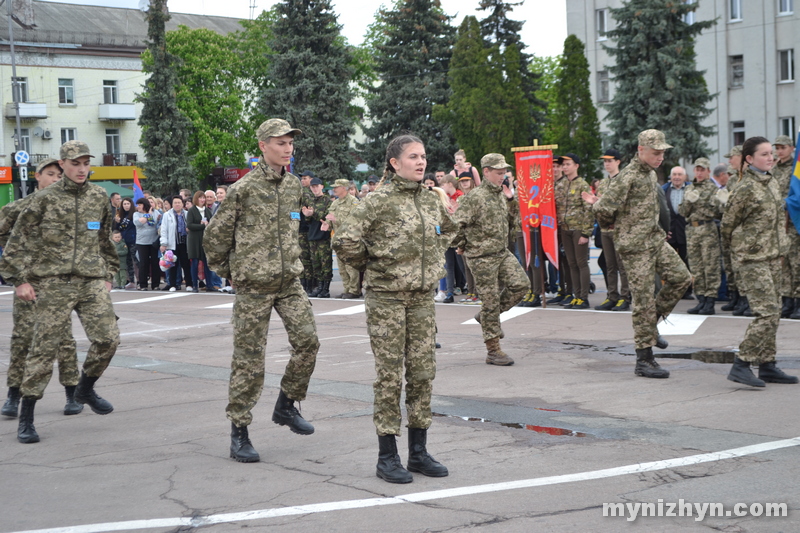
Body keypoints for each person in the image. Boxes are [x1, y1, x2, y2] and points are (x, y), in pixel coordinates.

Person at [333, 134, 455, 484]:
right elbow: (345, 240)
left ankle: (418, 453)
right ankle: (387, 456)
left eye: (424, 156)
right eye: (413, 157)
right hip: (386, 299)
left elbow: (449, 230)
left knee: (422, 373)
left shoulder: (431, 200)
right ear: (394, 163)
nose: (421, 162)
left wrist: (432, 261)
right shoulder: (377, 201)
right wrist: (376, 265)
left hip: (421, 299)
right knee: (389, 377)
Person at [204, 118, 320, 463]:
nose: (287, 149)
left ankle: (286, 404)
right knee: (249, 361)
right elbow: (215, 240)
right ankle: (239, 432)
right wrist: (232, 272)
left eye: (290, 143)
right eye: (280, 143)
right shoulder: (243, 189)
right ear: (263, 147)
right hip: (253, 287)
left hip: (288, 283)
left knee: (309, 342)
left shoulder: (293, 186)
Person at [0, 141, 121, 442]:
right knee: (42, 349)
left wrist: (108, 273)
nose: (81, 169)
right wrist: (20, 280)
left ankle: (85, 388)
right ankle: (26, 416)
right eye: (75, 163)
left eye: (85, 163)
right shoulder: (43, 199)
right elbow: (14, 242)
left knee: (108, 339)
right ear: (63, 164)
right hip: (53, 283)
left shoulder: (98, 196)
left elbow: (105, 240)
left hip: (90, 280)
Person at [582, 130, 691, 379]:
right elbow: (604, 209)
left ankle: (651, 326)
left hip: (654, 240)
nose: (660, 157)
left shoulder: (650, 173)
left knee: (682, 278)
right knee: (643, 301)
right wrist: (615, 224)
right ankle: (644, 359)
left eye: (663, 152)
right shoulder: (627, 177)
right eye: (656, 152)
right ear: (641, 150)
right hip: (634, 247)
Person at [0, 158, 83, 419]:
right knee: (23, 338)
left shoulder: (68, 209)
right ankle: (14, 394)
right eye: (50, 174)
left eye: (59, 176)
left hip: (59, 285)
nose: (55, 180)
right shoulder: (18, 207)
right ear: (37, 176)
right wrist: (18, 268)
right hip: (29, 284)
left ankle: (72, 393)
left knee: (64, 340)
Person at [720, 136, 798, 387]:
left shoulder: (772, 182)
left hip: (774, 256)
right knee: (767, 312)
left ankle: (767, 365)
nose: (771, 157)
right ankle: (742, 363)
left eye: (771, 153)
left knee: (774, 311)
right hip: (752, 259)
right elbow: (727, 225)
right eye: (764, 154)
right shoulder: (744, 188)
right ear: (749, 159)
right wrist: (741, 253)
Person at [453, 153, 528, 366]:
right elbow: (457, 223)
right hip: (481, 257)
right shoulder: (475, 197)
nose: (502, 176)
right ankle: (493, 350)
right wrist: (462, 244)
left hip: (501, 252)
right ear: (485, 172)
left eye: (504, 172)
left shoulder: (500, 194)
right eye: (498, 173)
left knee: (521, 285)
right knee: (491, 300)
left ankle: (486, 316)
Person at [679, 157, 722, 315]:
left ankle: (710, 301)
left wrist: (702, 204)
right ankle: (701, 300)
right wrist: (689, 202)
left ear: (708, 171)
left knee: (710, 267)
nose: (699, 172)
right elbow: (683, 212)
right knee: (696, 267)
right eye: (697, 169)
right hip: (692, 230)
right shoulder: (689, 189)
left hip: (707, 229)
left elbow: (716, 212)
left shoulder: (713, 189)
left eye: (702, 169)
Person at [594, 149, 631, 311]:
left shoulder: (623, 181)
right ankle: (612, 296)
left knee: (622, 265)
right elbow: (599, 206)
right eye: (605, 161)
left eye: (610, 161)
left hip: (619, 229)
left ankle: (625, 297)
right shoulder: (603, 183)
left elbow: (625, 206)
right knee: (609, 265)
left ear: (618, 162)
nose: (607, 164)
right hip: (605, 229)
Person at [555, 153, 593, 309]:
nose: (564, 167)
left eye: (568, 164)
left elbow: (588, 210)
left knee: (581, 263)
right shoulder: (561, 185)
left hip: (578, 229)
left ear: (576, 166)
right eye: (563, 165)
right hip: (565, 229)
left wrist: (586, 233)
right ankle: (576, 296)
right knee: (571, 263)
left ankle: (584, 297)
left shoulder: (582, 185)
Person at [772, 135, 800, 319]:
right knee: (784, 265)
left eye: (783, 147)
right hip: (779, 224)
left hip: (793, 222)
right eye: (777, 148)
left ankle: (798, 301)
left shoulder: (795, 169)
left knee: (797, 263)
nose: (779, 151)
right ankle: (787, 300)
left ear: (791, 148)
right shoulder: (773, 170)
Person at [324, 178, 361, 298]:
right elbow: (330, 217)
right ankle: (346, 289)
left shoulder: (354, 202)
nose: (333, 189)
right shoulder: (335, 202)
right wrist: (327, 224)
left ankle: (354, 290)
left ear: (344, 188)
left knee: (351, 267)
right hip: (338, 240)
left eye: (336, 187)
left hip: (350, 240)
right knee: (342, 268)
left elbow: (355, 222)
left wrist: (337, 220)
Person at [304, 177, 333, 298]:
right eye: (312, 187)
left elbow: (325, 216)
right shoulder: (311, 201)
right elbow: (308, 220)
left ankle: (325, 288)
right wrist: (307, 215)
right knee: (316, 264)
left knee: (325, 263)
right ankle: (319, 287)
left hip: (323, 236)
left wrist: (313, 213)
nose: (315, 189)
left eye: (317, 186)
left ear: (321, 186)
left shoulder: (328, 201)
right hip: (312, 235)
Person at [160, 196, 193, 292]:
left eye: (179, 202)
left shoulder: (187, 214)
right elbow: (164, 230)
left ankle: (189, 284)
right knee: (172, 265)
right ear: (172, 204)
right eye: (175, 202)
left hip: (185, 243)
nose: (177, 204)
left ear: (182, 204)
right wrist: (163, 243)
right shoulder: (167, 215)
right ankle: (173, 285)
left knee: (186, 265)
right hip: (172, 243)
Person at [187, 190, 215, 293]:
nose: (203, 200)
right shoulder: (192, 210)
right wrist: (202, 225)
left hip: (205, 239)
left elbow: (212, 223)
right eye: (201, 198)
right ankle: (195, 285)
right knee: (194, 262)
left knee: (207, 263)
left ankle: (210, 285)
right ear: (196, 199)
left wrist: (208, 224)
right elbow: (189, 225)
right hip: (194, 240)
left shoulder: (207, 211)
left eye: (204, 198)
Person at [133, 197, 162, 290]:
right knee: (143, 263)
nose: (138, 207)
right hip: (142, 242)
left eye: (140, 205)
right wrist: (147, 215)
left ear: (144, 205)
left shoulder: (156, 212)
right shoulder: (136, 214)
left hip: (153, 241)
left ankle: (155, 284)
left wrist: (153, 216)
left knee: (155, 262)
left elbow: (155, 223)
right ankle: (143, 284)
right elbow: (139, 223)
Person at [113, 197, 137, 289]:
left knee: (136, 261)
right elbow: (118, 229)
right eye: (124, 204)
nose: (126, 206)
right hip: (123, 242)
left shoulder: (134, 214)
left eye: (128, 204)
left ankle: (140, 280)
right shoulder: (120, 216)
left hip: (133, 241)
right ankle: (130, 281)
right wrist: (117, 222)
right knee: (127, 263)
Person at [298, 170, 315, 294]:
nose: (302, 181)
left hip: (306, 229)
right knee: (303, 257)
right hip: (302, 228)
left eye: (305, 178)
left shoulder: (308, 193)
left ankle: (308, 284)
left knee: (306, 258)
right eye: (302, 178)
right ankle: (306, 283)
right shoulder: (302, 192)